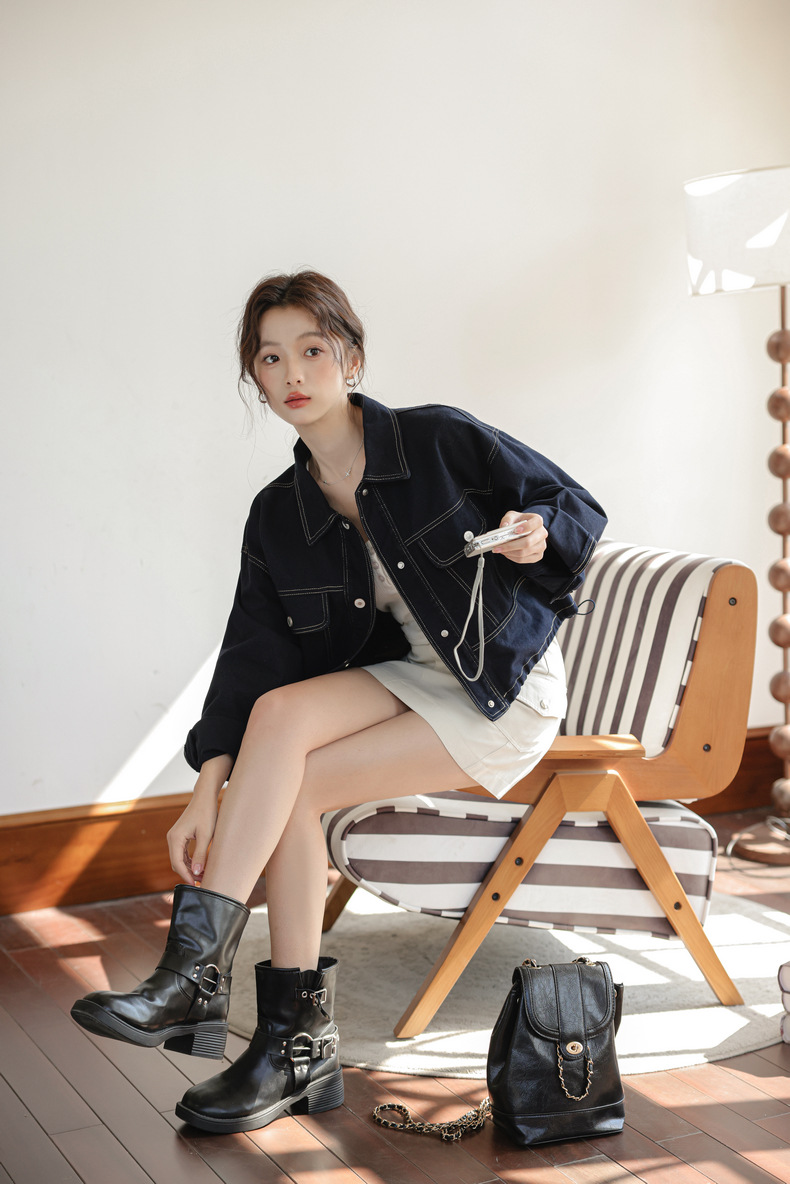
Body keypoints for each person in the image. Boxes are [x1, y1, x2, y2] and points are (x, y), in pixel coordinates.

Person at [71, 270, 607, 1134]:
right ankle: (235, 1004)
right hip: (414, 676)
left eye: (312, 350)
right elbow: (250, 659)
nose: (293, 372)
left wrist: (537, 534)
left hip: (500, 688)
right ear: (255, 378)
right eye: (270, 358)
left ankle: (251, 1021)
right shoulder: (279, 513)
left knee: (297, 785)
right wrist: (205, 793)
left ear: (351, 359)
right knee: (279, 719)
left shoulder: (437, 439)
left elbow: (572, 504)